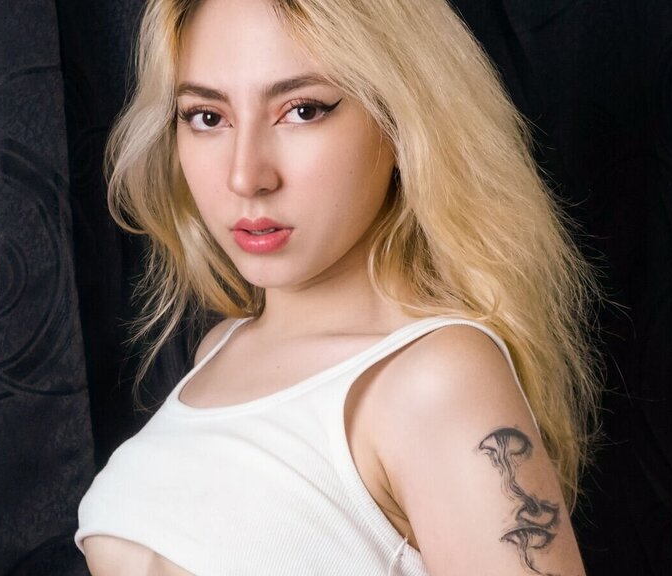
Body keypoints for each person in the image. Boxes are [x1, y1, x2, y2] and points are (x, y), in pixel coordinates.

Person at [75, 0, 601, 574]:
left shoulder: (436, 379)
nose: (245, 176)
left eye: (302, 110)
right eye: (207, 116)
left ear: (401, 118)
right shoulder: (220, 349)